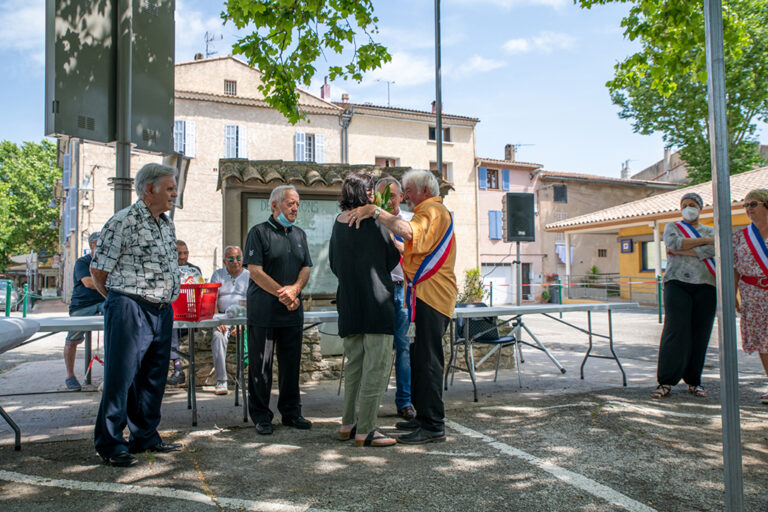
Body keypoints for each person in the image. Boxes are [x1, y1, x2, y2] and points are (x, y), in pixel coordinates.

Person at [349, 169, 456, 444]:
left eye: (409, 190)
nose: (405, 196)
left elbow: (409, 233)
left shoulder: (432, 211)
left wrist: (375, 212)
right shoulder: (427, 211)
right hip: (424, 295)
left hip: (433, 295)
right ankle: (423, 417)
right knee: (420, 358)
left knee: (429, 361)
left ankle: (434, 425)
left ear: (426, 191)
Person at [90, 163, 182, 467]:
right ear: (149, 190)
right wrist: (120, 300)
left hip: (161, 309)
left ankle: (144, 436)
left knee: (154, 378)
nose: (174, 193)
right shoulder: (123, 221)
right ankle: (110, 442)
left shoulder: (166, 223)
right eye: (169, 188)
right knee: (121, 377)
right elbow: (98, 270)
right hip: (130, 306)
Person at [332, 174, 400, 447]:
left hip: (349, 303)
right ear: (367, 194)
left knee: (354, 368)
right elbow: (392, 258)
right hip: (377, 303)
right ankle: (367, 430)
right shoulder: (373, 222)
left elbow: (335, 264)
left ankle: (347, 424)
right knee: (376, 369)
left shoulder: (337, 224)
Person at [244, 185, 313, 435]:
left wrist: (294, 290)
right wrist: (283, 294)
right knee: (261, 368)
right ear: (275, 205)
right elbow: (255, 271)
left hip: (292, 312)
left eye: (297, 204)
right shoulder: (258, 233)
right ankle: (262, 416)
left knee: (291, 366)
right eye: (290, 203)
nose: (295, 208)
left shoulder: (299, 235)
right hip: (264, 313)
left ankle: (291, 413)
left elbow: (306, 267)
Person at [651, 192, 716, 399]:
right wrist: (701, 244)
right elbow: (673, 245)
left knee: (700, 332)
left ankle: (694, 381)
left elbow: (712, 250)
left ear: (700, 208)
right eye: (685, 204)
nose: (688, 208)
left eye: (692, 204)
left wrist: (686, 248)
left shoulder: (710, 230)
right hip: (676, 283)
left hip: (706, 284)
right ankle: (666, 381)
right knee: (675, 330)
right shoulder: (673, 227)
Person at [376, 176, 416, 421]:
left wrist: (389, 232)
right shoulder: (370, 220)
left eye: (391, 195)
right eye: (382, 195)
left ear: (401, 197)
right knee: (376, 349)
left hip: (402, 290)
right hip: (378, 291)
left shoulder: (411, 221)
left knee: (402, 348)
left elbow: (410, 250)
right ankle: (371, 403)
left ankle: (405, 402)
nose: (387, 200)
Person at [733, 189, 768, 403]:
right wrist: (733, 293)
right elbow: (735, 268)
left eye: (753, 204)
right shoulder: (740, 237)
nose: (748, 209)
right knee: (764, 343)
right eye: (745, 205)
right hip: (752, 294)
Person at [64, 231, 106, 391]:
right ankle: (70, 376)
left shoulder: (108, 262)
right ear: (92, 245)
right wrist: (109, 284)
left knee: (114, 329)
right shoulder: (82, 262)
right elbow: (88, 283)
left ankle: (109, 374)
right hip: (82, 304)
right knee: (72, 339)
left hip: (103, 302)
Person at [208, 245, 250, 395]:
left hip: (243, 316)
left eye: (238, 258)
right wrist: (218, 321)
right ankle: (221, 381)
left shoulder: (249, 275)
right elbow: (212, 299)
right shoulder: (218, 274)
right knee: (218, 336)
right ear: (225, 261)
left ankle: (250, 380)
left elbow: (250, 302)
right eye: (231, 258)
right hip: (222, 317)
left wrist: (241, 324)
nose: (235, 261)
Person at [167, 240, 202, 386]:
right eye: (178, 253)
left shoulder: (194, 270)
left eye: (185, 253)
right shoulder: (167, 270)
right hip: (174, 316)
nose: (182, 256)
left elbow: (200, 293)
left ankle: (177, 368)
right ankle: (178, 368)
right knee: (170, 320)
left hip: (190, 316)